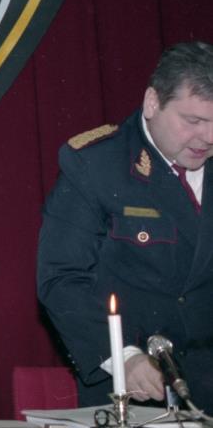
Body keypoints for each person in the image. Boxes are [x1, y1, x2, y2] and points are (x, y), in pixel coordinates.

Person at [37, 41, 213, 410]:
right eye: (194, 121)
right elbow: (61, 279)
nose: (209, 137)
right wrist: (123, 357)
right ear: (152, 102)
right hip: (136, 387)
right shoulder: (96, 165)